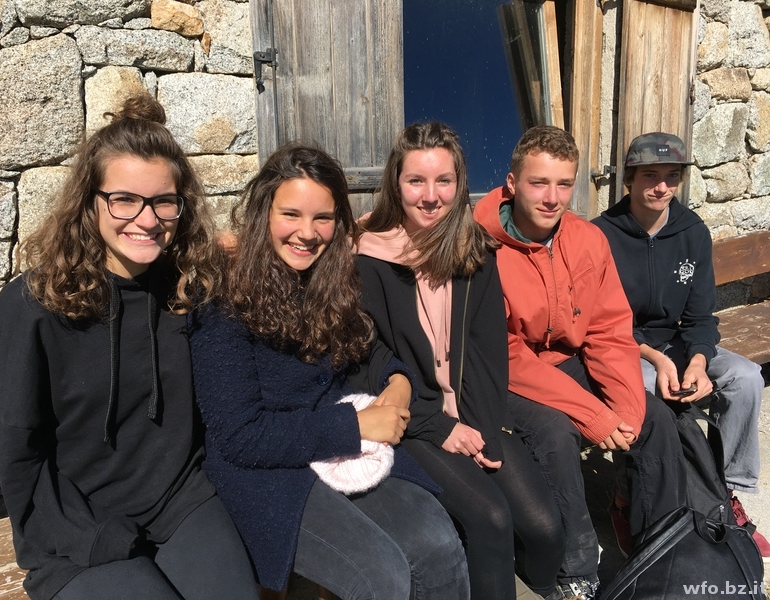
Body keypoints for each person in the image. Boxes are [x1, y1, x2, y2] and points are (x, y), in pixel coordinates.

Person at [0, 94, 258, 600]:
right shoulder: (34, 305)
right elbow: (11, 444)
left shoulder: (187, 292)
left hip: (179, 503)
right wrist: (85, 534)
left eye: (164, 201)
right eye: (124, 199)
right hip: (71, 527)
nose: (147, 220)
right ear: (90, 201)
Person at [187, 142, 470, 600]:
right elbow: (240, 436)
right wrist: (355, 426)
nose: (307, 232)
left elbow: (369, 349)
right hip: (269, 470)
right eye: (291, 214)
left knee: (440, 547)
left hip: (342, 451)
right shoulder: (223, 300)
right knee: (378, 576)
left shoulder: (328, 279)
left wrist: (399, 381)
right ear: (263, 213)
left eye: (323, 217)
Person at [473, 125, 687, 600]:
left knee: (653, 417)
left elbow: (608, 328)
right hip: (506, 375)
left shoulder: (587, 239)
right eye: (538, 183)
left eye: (564, 184)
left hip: (566, 360)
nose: (552, 198)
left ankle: (660, 546)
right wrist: (591, 412)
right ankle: (576, 570)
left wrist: (624, 407)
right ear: (512, 183)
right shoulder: (481, 247)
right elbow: (502, 351)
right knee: (555, 433)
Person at [356, 122, 565, 600]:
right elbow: (367, 361)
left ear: (459, 183)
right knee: (491, 518)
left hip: (470, 412)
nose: (431, 196)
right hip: (412, 420)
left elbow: (489, 354)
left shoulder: (475, 252)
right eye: (416, 181)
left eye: (443, 181)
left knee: (544, 528)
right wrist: (439, 427)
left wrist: (482, 431)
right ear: (396, 183)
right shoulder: (369, 257)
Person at [593, 131, 770, 559]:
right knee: (649, 395)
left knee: (746, 377)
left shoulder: (692, 231)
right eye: (650, 176)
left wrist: (698, 361)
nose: (662, 187)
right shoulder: (600, 235)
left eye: (672, 176)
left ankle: (724, 493)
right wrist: (656, 359)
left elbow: (700, 317)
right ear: (629, 179)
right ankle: (629, 495)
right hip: (623, 346)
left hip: (676, 342)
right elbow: (602, 322)